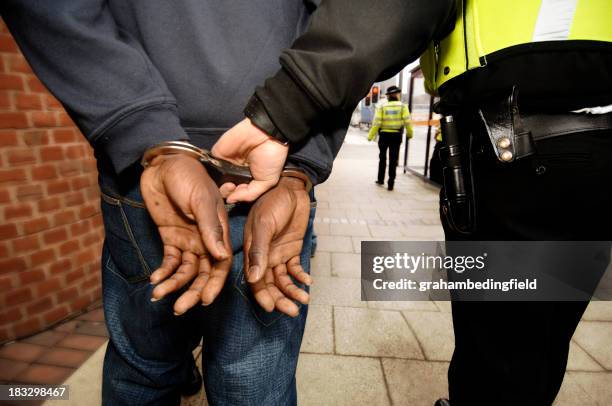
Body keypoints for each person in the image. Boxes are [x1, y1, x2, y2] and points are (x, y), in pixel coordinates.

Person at [210, 1, 612, 405]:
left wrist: (285, 107)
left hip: (522, 152)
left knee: (503, 348)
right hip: (589, 151)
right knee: (544, 337)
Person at [1, 1, 349, 404]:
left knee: (145, 372)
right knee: (254, 379)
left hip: (156, 168)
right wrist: (301, 162)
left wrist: (143, 130)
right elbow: (347, 24)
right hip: (246, 168)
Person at [366, 85, 413, 191]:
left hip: (384, 135)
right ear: (397, 95)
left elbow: (377, 122)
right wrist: (410, 134)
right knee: (393, 159)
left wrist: (370, 136)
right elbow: (407, 121)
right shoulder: (402, 106)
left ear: (388, 96)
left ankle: (380, 179)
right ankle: (391, 183)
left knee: (382, 158)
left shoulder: (383, 107)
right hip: (396, 136)